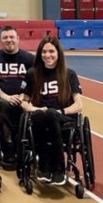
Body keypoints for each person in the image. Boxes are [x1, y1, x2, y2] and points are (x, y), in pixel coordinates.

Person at [21, 36, 83, 185]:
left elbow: (79, 105)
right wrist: (36, 109)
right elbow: (24, 103)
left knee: (50, 113)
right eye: (44, 52)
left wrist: (60, 112)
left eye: (51, 51)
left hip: (64, 118)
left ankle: (59, 167)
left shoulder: (69, 74)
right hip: (40, 118)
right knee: (41, 114)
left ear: (58, 53)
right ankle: (44, 166)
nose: (47, 55)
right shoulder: (32, 74)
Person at [0, 26, 34, 166]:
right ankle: (8, 146)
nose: (9, 40)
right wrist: (5, 96)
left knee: (27, 109)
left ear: (18, 39)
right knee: (3, 106)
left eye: (12, 37)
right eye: (5, 38)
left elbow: (35, 82)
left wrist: (23, 96)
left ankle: (24, 144)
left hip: (24, 98)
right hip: (2, 99)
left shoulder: (29, 58)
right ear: (0, 40)